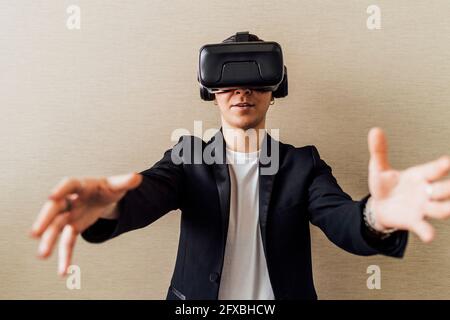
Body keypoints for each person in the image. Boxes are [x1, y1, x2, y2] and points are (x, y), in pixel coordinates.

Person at [30, 33, 450, 300]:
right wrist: (107, 206)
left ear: (275, 90)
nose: (241, 92)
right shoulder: (187, 157)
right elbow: (146, 195)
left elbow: (341, 220)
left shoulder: (302, 164)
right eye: (227, 83)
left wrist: (376, 215)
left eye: (255, 82)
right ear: (209, 92)